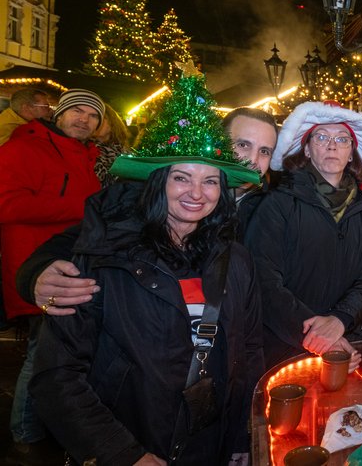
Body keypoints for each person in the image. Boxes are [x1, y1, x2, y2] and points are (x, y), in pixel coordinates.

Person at [28, 71, 263, 465]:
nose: (196, 192)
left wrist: (243, 437)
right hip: (131, 439)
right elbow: (57, 376)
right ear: (157, 183)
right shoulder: (105, 258)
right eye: (181, 177)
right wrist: (125, 454)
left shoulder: (237, 260)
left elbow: (249, 354)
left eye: (210, 181)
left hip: (210, 443)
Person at [16, 105, 279, 319]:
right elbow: (84, 237)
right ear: (216, 142)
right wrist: (36, 274)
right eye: (243, 145)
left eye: (264, 151)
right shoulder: (147, 193)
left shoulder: (269, 207)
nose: (253, 161)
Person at [245, 101, 362, 368]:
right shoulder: (279, 204)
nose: (332, 145)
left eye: (342, 139)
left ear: (351, 154)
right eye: (321, 137)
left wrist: (340, 320)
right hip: (287, 349)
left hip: (351, 343)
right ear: (308, 150)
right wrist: (318, 337)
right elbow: (263, 279)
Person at [0, 88, 104, 462]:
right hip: (37, 266)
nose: (84, 119)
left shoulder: (85, 153)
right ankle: (25, 434)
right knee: (41, 352)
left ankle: (39, 426)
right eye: (76, 110)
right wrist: (80, 209)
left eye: (92, 115)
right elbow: (6, 203)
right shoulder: (24, 147)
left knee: (55, 349)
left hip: (67, 265)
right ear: (57, 115)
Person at [92, 103, 130, 187]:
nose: (97, 123)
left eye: (102, 118)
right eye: (95, 117)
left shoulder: (123, 149)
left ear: (113, 123)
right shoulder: (87, 149)